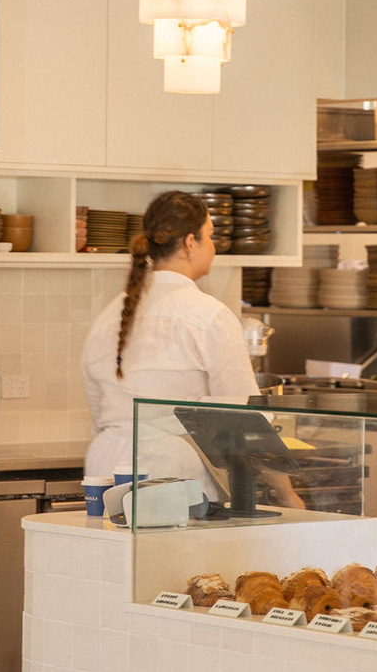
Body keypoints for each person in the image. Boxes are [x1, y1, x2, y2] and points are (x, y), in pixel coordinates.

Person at [81, 190, 260, 493]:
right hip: (170, 472)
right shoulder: (210, 315)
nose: (213, 248)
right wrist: (286, 492)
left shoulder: (110, 315)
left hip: (105, 464)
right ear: (191, 243)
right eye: (210, 236)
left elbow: (98, 407)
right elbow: (241, 418)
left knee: (110, 542)